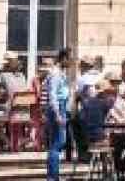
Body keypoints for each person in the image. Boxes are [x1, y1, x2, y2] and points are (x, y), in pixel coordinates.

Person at [43, 47, 74, 181]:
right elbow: (53, 95)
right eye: (70, 59)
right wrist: (57, 113)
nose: (71, 62)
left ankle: (54, 175)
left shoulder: (61, 73)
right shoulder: (55, 74)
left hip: (61, 106)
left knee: (59, 142)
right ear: (64, 58)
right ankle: (52, 176)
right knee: (57, 143)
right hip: (57, 108)